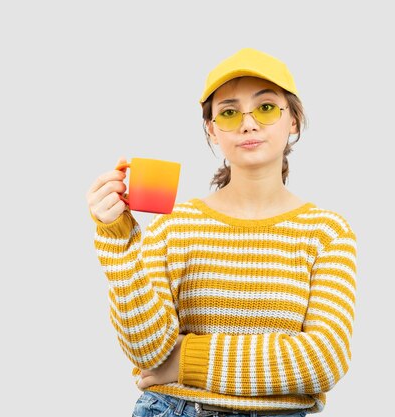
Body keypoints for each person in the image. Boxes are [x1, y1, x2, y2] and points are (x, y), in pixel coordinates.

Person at [85, 48, 357, 417]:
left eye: (265, 108)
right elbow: (146, 352)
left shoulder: (328, 233)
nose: (248, 124)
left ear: (293, 120)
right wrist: (118, 239)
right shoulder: (174, 227)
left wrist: (184, 361)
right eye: (229, 113)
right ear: (212, 130)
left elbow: (323, 361)